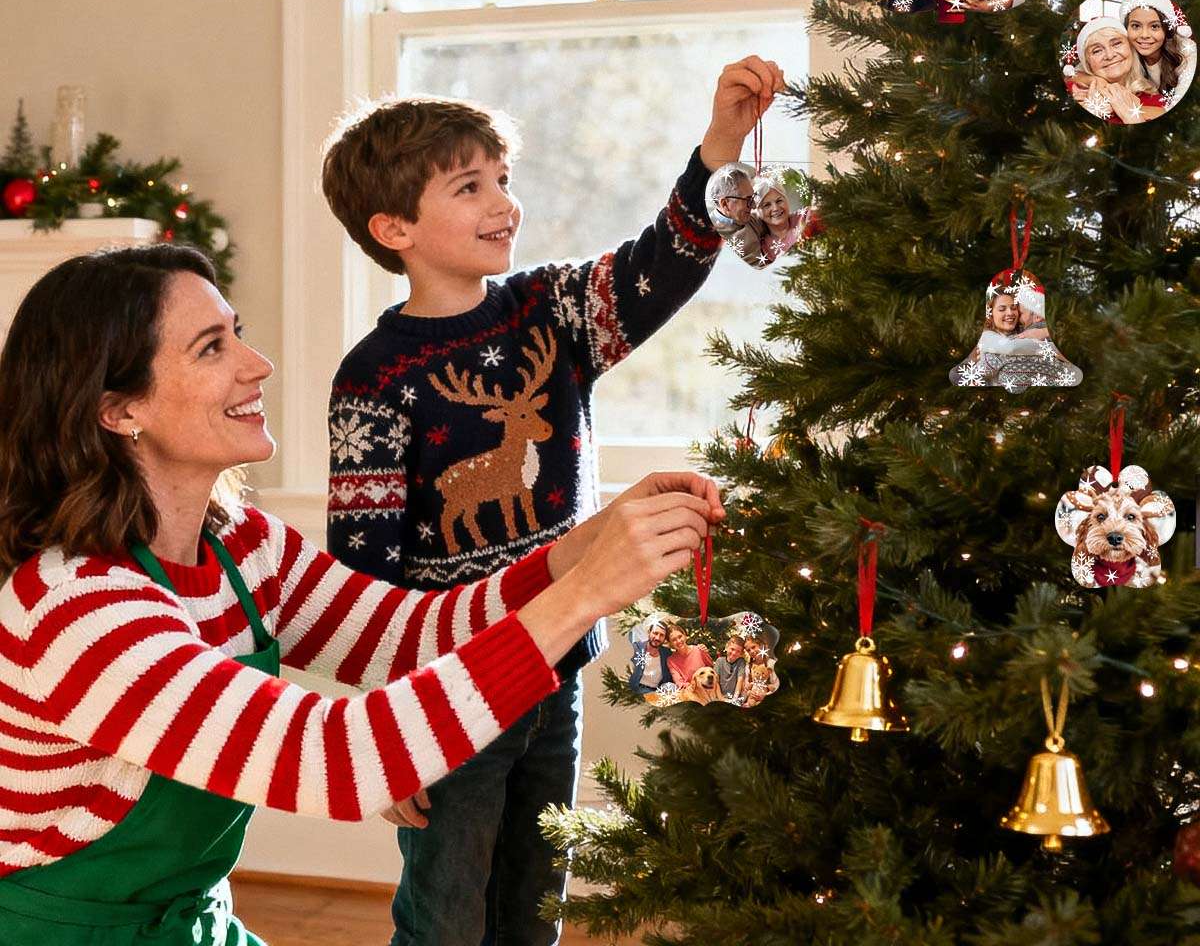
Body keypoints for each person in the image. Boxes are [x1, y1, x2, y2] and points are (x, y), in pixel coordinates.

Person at [0, 245, 723, 945]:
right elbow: (338, 759)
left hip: (188, 923)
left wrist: (578, 551)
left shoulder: (240, 544)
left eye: (238, 334)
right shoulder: (79, 611)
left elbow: (411, 633)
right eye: (211, 348)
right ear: (119, 410)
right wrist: (585, 598)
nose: (259, 365)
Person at [319, 56, 784, 946]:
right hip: (448, 692)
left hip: (558, 668)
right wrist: (388, 731)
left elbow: (664, 264)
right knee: (448, 913)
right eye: (469, 187)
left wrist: (720, 144)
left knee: (537, 904)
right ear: (393, 227)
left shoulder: (551, 313)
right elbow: (360, 572)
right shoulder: (373, 379)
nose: (504, 203)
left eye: (503, 179)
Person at [949, 269, 1083, 392]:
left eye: (1014, 308)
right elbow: (1009, 349)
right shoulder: (987, 338)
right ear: (991, 314)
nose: (1011, 313)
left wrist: (1042, 334)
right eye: (1002, 309)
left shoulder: (1026, 332)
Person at [1065, 19, 1167, 124]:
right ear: (1088, 62)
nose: (1109, 55)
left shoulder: (1155, 99)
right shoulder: (1075, 91)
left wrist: (1129, 113)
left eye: (1117, 44)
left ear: (1130, 48)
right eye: (1097, 51)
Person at [1120, 0, 1196, 106]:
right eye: (1136, 26)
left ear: (1166, 30)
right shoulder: (1124, 50)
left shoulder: (1186, 51)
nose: (1144, 35)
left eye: (1155, 26)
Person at [706, 164, 766, 264]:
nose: (754, 206)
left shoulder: (754, 219)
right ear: (725, 204)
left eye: (753, 198)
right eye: (747, 199)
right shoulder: (707, 237)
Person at [752, 176, 809, 264]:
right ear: (757, 212)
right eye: (767, 205)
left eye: (779, 201)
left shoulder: (804, 216)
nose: (775, 208)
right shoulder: (762, 248)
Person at [628, 619, 673, 695]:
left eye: (661, 635)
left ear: (665, 639)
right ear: (649, 632)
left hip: (657, 692)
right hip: (637, 690)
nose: (657, 638)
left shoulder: (667, 653)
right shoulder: (636, 648)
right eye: (655, 633)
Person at [714, 633, 748, 702]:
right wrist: (721, 698)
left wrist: (734, 699)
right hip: (720, 697)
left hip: (734, 698)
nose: (734, 653)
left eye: (738, 651)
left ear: (741, 653)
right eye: (732, 649)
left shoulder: (741, 662)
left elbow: (740, 681)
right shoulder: (719, 661)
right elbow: (716, 681)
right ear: (727, 647)